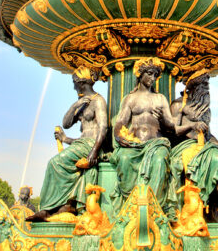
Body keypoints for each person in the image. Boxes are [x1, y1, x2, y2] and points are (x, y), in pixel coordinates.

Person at [111, 57, 204, 216]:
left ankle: (154, 207)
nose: (153, 78)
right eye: (149, 74)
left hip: (156, 143)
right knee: (124, 160)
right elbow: (120, 122)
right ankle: (130, 205)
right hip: (134, 143)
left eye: (155, 75)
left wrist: (162, 118)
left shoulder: (160, 98)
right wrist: (119, 137)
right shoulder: (130, 98)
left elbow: (171, 127)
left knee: (160, 160)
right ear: (140, 74)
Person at [28, 67, 108, 221]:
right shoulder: (83, 103)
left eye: (75, 82)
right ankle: (62, 206)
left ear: (81, 83)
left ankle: (50, 208)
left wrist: (94, 152)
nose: (73, 86)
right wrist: (75, 106)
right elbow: (66, 123)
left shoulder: (98, 101)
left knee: (55, 163)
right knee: (57, 164)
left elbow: (103, 128)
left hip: (91, 144)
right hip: (82, 143)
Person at [167, 70, 218, 223]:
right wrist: (192, 124)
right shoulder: (179, 104)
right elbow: (173, 130)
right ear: (193, 87)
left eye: (207, 84)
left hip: (205, 145)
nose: (206, 88)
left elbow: (208, 135)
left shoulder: (205, 108)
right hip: (185, 146)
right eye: (203, 84)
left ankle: (214, 203)